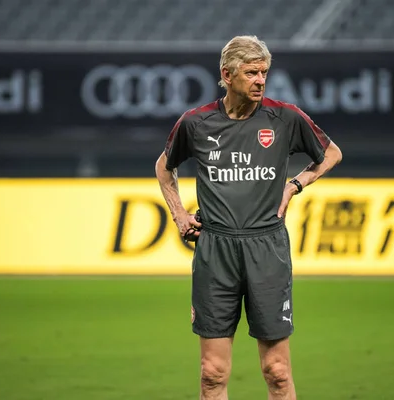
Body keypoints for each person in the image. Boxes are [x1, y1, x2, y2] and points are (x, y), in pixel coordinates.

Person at [155, 35, 342, 400]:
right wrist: (178, 213)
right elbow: (164, 168)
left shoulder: (284, 117)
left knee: (277, 372)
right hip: (215, 251)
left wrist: (295, 185)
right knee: (212, 374)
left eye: (264, 73)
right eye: (251, 73)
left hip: (266, 248)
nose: (260, 80)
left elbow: (331, 153)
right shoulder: (195, 123)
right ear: (226, 74)